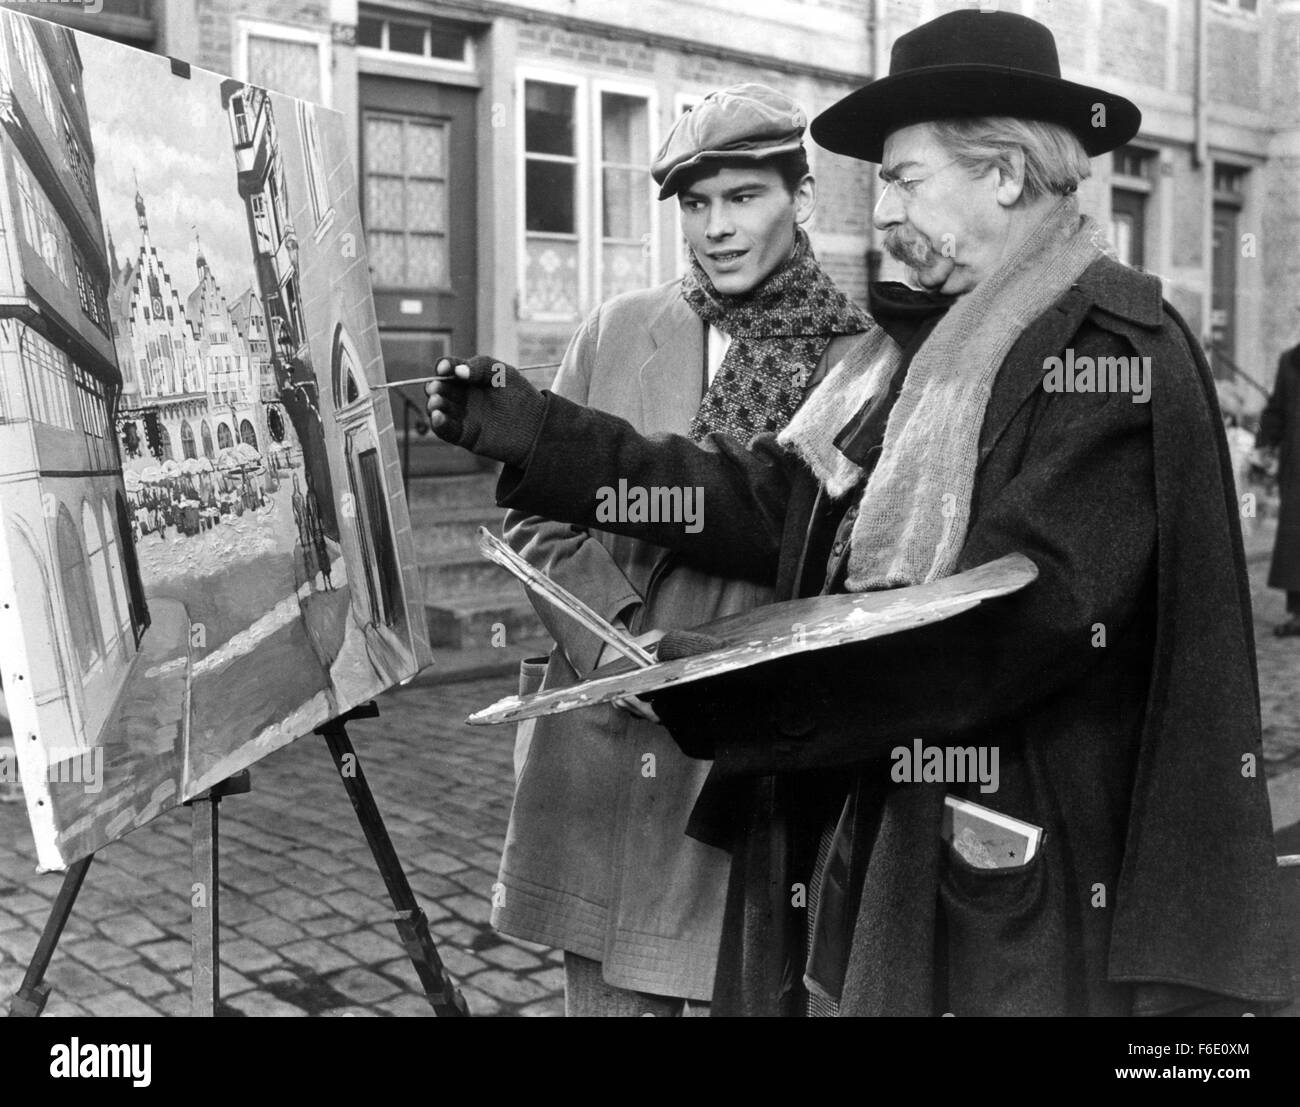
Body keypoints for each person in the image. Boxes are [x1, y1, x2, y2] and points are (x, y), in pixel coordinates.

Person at [427, 9, 1292, 1017]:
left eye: (901, 178)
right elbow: (780, 501)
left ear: (1003, 174)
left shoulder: (1101, 352)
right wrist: (543, 439)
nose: (879, 212)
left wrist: (727, 681)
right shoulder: (921, 346)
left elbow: (1017, 620)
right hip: (893, 842)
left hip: (1021, 890)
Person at [493, 84, 870, 1017]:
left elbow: (846, 572)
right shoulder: (619, 328)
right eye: (696, 205)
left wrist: (708, 678)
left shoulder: (858, 361)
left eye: (744, 198)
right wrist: (618, 648)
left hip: (734, 772)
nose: (717, 228)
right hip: (600, 742)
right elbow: (538, 520)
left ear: (804, 198)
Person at [1256, 339, 1300, 636]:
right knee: (1295, 542)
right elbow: (1276, 410)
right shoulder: (1290, 361)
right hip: (1296, 467)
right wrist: (1264, 444)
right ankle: (1298, 614)